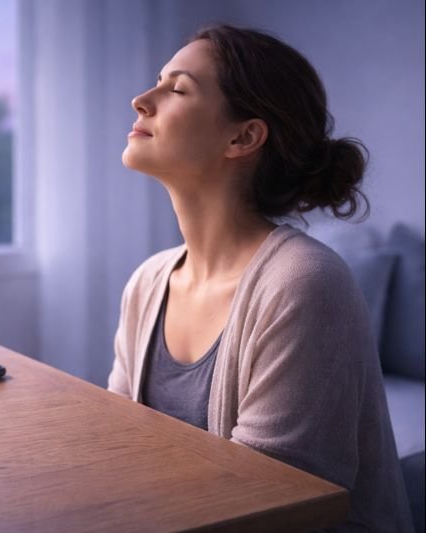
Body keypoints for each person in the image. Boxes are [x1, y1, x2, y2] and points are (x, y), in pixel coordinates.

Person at [107, 24, 413, 531]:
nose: (141, 100)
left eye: (177, 88)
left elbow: (271, 506)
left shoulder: (305, 283)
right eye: (156, 82)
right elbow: (119, 444)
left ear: (243, 136)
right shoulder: (149, 280)